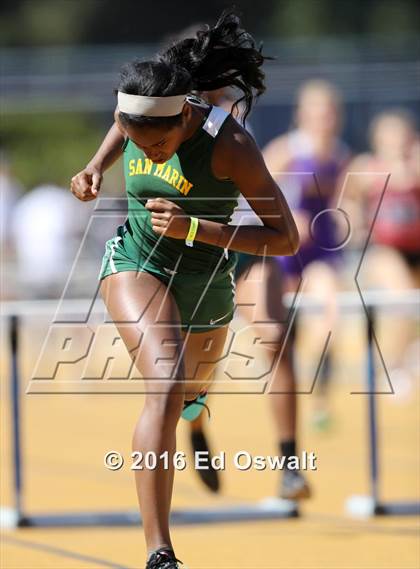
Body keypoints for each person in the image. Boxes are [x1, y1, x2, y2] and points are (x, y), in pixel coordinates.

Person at [70, 11, 299, 569]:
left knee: (190, 395)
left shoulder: (231, 146)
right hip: (137, 262)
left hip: (207, 276)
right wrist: (95, 165)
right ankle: (161, 552)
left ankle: (196, 419)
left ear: (185, 116)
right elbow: (124, 123)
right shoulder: (138, 119)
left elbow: (286, 238)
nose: (149, 154)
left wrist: (197, 227)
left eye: (161, 144)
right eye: (137, 143)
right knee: (165, 384)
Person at [189, 85, 311, 500]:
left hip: (244, 247)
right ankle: (196, 428)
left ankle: (290, 463)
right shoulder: (173, 121)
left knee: (276, 337)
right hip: (197, 250)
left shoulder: (235, 117)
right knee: (198, 365)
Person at [262, 80, 350, 430]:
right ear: (302, 115)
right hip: (286, 252)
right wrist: (285, 216)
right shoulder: (286, 150)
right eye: (315, 112)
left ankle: (320, 399)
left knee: (330, 319)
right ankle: (288, 396)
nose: (322, 119)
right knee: (283, 334)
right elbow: (254, 190)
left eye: (328, 112)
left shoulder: (341, 155)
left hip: (321, 254)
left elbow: (345, 200)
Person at [343, 110, 420, 380]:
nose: (397, 141)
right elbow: (346, 201)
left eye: (401, 135)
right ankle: (394, 366)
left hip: (416, 248)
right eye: (390, 135)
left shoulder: (415, 163)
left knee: (411, 301)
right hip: (383, 249)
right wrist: (354, 226)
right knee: (402, 296)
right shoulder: (366, 166)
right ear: (377, 139)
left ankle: (407, 352)